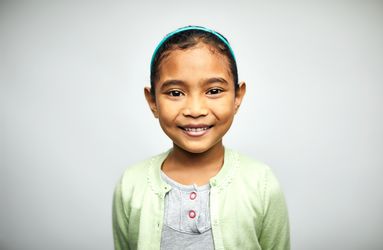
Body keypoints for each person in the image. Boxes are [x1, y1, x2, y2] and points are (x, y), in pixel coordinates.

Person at [112, 25, 290, 250]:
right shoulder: (131, 184)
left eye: (214, 91)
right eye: (175, 93)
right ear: (153, 102)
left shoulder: (261, 183)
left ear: (238, 97)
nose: (195, 110)